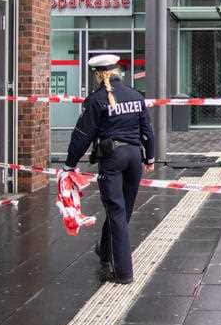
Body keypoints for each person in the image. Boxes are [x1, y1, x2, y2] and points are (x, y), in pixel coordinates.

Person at [64, 54, 155, 284]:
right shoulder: (135, 95)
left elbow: (82, 136)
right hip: (134, 157)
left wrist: (69, 165)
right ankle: (105, 251)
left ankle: (123, 272)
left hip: (113, 158)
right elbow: (147, 130)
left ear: (98, 74)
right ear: (117, 72)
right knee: (123, 211)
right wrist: (150, 158)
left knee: (116, 211)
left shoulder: (96, 100)